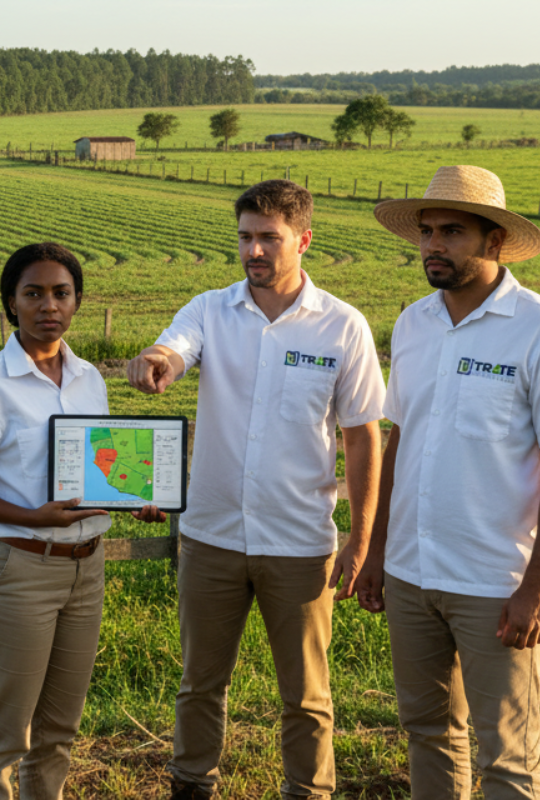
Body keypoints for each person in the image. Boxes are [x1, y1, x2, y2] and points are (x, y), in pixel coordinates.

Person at [127, 180, 386, 799]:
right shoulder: (210, 310)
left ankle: (309, 791)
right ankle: (191, 784)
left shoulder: (342, 327)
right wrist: (156, 358)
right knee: (199, 684)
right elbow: (175, 347)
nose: (254, 251)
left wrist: (360, 540)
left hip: (300, 544)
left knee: (306, 695)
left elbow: (363, 439)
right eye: (245, 237)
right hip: (211, 537)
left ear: (304, 239)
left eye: (269, 237)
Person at [358, 165, 540, 799]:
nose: (433, 244)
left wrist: (532, 592)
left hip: (495, 581)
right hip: (412, 573)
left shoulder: (534, 328)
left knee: (509, 759)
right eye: (427, 232)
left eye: (453, 232)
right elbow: (399, 440)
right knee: (428, 733)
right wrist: (378, 553)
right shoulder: (413, 323)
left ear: (495, 242)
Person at [0, 242, 117, 800]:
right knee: (3, 736)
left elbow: (102, 467)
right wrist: (31, 516)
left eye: (61, 293)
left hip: (86, 571)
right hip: (17, 570)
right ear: (10, 304)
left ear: (78, 301)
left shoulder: (90, 379)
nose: (48, 305)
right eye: (33, 293)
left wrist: (134, 498)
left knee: (59, 731)